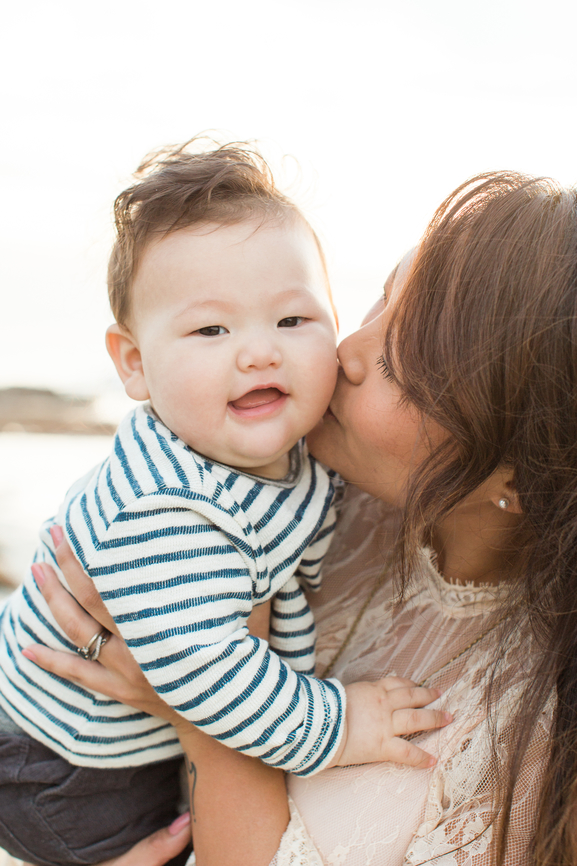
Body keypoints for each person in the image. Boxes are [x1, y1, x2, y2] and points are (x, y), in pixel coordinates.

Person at [23, 169, 577, 866]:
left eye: (399, 362)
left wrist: (195, 716)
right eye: (376, 301)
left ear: (526, 474)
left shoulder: (531, 739)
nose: (343, 354)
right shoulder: (277, 486)